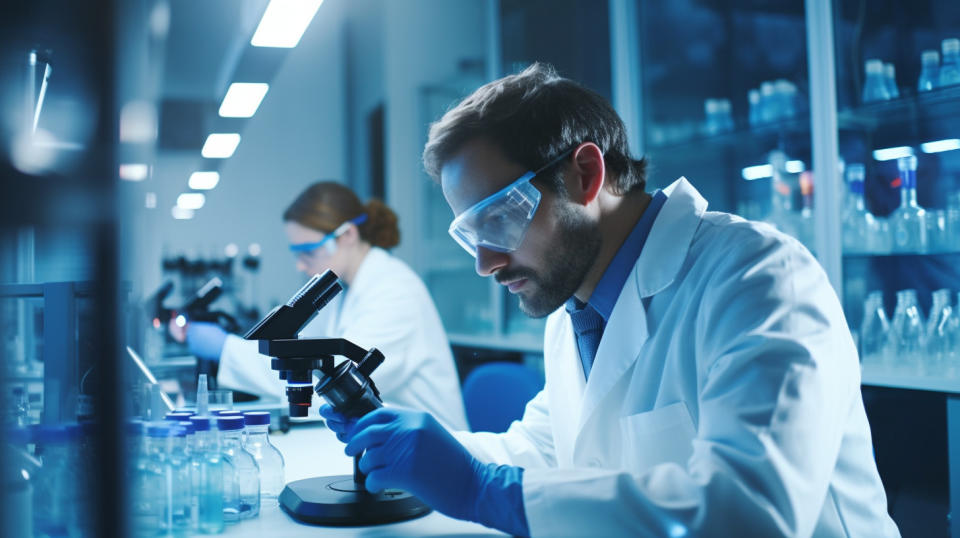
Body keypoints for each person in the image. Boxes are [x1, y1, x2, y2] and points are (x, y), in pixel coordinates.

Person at [320, 64, 900, 536]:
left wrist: (480, 490)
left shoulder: (760, 280)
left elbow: (750, 514)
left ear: (585, 174)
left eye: (499, 219)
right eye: (472, 235)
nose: (485, 262)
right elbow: (547, 453)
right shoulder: (575, 306)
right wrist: (419, 450)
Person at [175, 181, 467, 431]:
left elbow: (330, 388)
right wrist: (231, 346)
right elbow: (295, 355)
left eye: (309, 251)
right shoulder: (343, 291)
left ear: (348, 235)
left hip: (435, 459)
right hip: (387, 440)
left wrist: (225, 348)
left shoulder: (394, 291)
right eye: (296, 252)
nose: (301, 265)